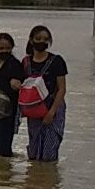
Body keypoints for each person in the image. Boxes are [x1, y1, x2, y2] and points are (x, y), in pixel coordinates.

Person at [21, 24, 69, 162]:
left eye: (45, 39)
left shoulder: (57, 61)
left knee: (49, 151)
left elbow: (62, 89)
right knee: (34, 151)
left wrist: (52, 112)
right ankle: (37, 180)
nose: (42, 42)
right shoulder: (25, 62)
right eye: (38, 38)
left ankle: (49, 179)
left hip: (53, 107)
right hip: (33, 109)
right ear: (31, 40)